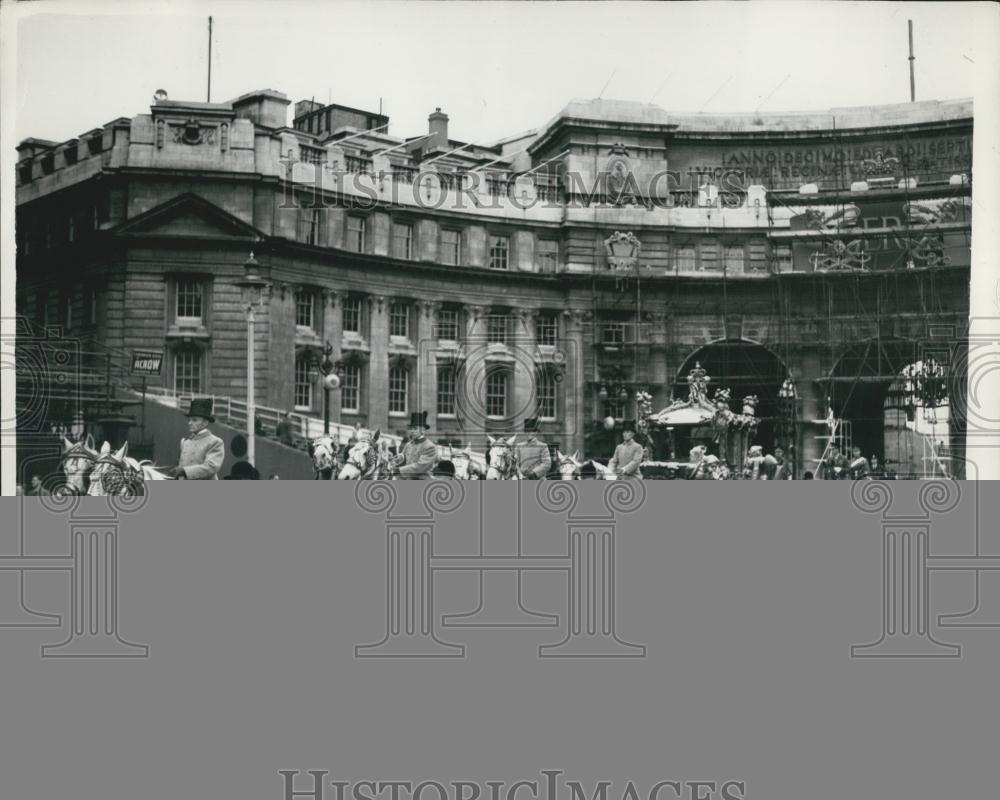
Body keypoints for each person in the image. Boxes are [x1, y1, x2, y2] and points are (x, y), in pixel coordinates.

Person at [166, 398, 225, 480]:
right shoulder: (185, 442)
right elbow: (180, 465)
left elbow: (211, 467)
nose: (189, 423)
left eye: (194, 420)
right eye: (189, 420)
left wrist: (184, 471)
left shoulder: (215, 442)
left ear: (205, 423)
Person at [395, 411, 437, 480]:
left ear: (423, 430)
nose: (412, 431)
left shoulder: (430, 447)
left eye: (415, 428)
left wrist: (399, 470)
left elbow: (420, 467)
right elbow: (404, 460)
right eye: (411, 428)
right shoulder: (408, 445)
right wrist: (397, 460)